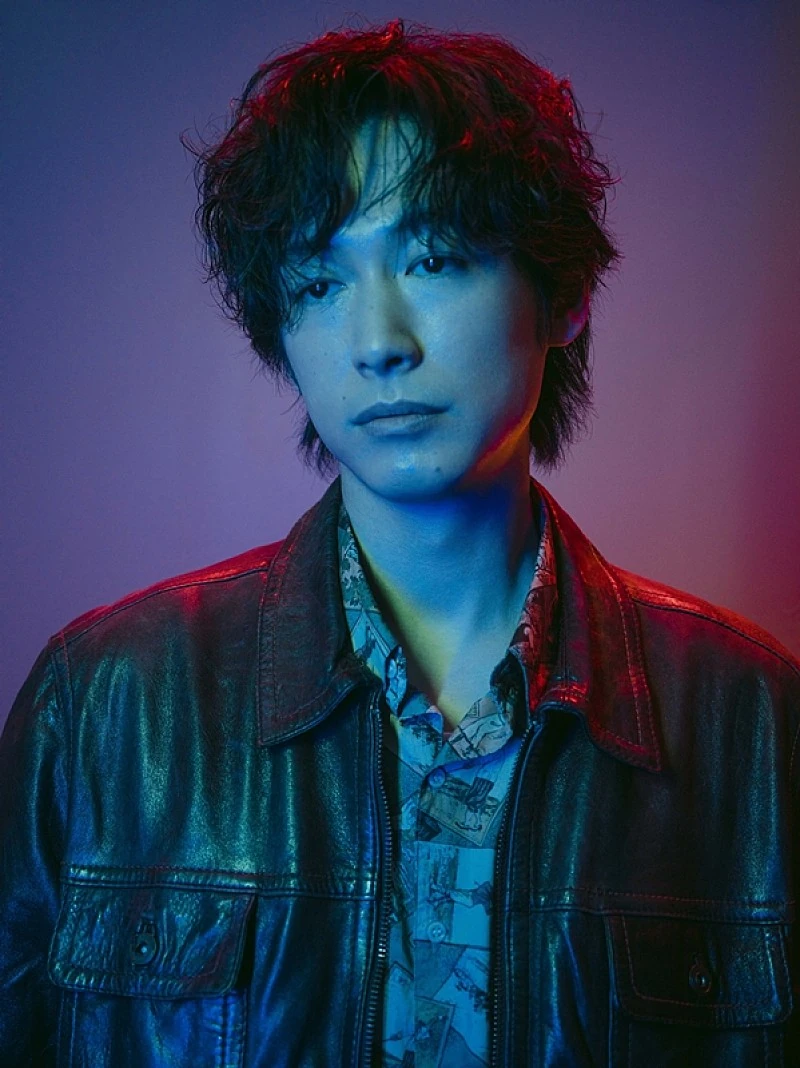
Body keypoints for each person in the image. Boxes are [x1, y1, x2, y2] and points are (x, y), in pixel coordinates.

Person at [1, 19, 798, 1067]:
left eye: (433, 259)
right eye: (318, 283)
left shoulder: (754, 721)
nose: (378, 342)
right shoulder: (105, 701)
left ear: (562, 296)